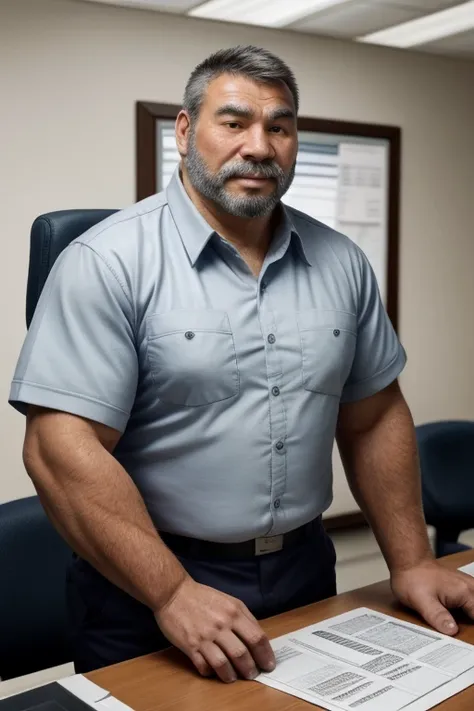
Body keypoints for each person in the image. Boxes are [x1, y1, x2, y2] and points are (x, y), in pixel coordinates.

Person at [9, 45, 474, 684]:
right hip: (149, 586)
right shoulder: (107, 262)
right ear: (183, 131)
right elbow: (60, 447)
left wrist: (414, 559)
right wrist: (172, 592)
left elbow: (373, 416)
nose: (258, 145)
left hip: (307, 568)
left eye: (278, 127)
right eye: (234, 123)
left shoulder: (341, 263)